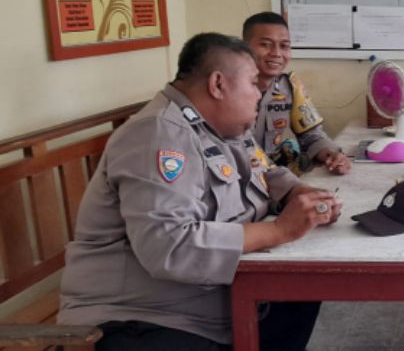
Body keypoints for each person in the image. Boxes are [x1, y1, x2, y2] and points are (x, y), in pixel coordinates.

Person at [59, 33, 343, 351]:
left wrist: (301, 194)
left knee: (302, 292)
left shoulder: (222, 127)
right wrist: (279, 230)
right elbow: (171, 246)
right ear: (217, 85)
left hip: (210, 301)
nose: (259, 93)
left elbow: (265, 172)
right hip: (144, 318)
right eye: (252, 83)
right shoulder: (159, 134)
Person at [243, 11, 351, 176]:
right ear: (244, 48)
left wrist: (331, 154)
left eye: (284, 46)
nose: (276, 53)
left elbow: (311, 135)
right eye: (265, 44)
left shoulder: (289, 87)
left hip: (274, 176)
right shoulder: (227, 91)